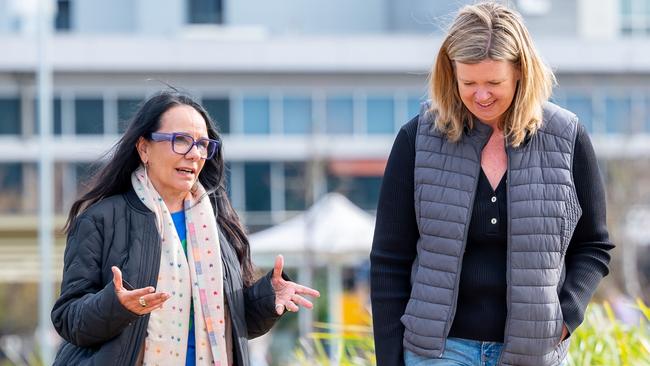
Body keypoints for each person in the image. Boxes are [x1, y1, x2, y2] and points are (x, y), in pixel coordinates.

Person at [369, 2, 614, 366]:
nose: (481, 96)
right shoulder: (416, 139)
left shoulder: (568, 137)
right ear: (450, 74)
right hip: (438, 352)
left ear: (520, 72)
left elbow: (594, 245)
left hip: (534, 354)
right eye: (468, 83)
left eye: (493, 83)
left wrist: (564, 318)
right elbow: (389, 261)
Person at [51, 90, 320, 366]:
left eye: (203, 144)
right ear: (144, 148)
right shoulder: (101, 220)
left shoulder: (220, 223)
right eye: (180, 141)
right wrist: (117, 306)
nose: (195, 154)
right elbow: (69, 318)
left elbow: (234, 324)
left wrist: (267, 298)